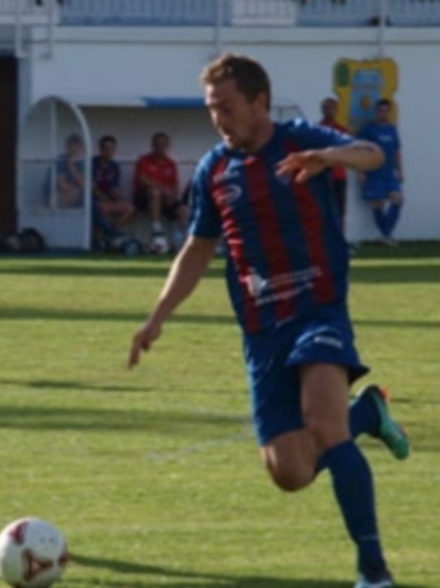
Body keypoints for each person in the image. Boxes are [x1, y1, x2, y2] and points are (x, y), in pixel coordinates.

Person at [128, 54, 409, 588]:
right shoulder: (215, 169)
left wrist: (329, 156)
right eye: (213, 109)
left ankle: (374, 569)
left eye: (227, 107)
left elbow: (372, 155)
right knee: (291, 473)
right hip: (262, 330)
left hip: (318, 309)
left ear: (260, 102)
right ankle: (368, 415)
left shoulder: (299, 139)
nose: (219, 119)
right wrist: (157, 317)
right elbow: (197, 248)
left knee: (325, 427)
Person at [356, 99, 404, 246]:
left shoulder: (392, 129)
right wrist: (360, 171)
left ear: (389, 112)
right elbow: (358, 149)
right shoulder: (369, 129)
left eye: (385, 110)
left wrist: (400, 171)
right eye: (380, 110)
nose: (383, 113)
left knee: (398, 199)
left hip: (389, 173)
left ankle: (386, 234)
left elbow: (396, 151)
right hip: (373, 172)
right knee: (378, 204)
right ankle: (387, 236)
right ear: (376, 111)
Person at [132, 132, 189, 253]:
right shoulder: (144, 160)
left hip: (165, 199)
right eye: (157, 144)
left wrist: (171, 195)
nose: (160, 147)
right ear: (153, 145)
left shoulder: (171, 164)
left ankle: (181, 241)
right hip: (145, 199)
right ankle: (156, 231)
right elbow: (142, 179)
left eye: (163, 144)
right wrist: (163, 189)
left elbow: (175, 185)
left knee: (183, 210)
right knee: (155, 192)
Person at [91, 135, 134, 250]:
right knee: (102, 208)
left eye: (111, 149)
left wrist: (119, 199)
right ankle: (102, 239)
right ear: (100, 149)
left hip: (110, 199)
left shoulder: (114, 166)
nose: (108, 151)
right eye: (105, 148)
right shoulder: (92, 164)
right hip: (96, 200)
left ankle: (114, 232)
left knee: (129, 208)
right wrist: (106, 200)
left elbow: (115, 188)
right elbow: (92, 188)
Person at [319, 97, 350, 231]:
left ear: (336, 110)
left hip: (338, 176)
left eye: (331, 108)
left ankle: (340, 241)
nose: (328, 111)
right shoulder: (316, 129)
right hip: (321, 175)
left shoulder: (342, 131)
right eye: (326, 108)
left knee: (339, 211)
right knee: (322, 210)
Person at [52, 134, 85, 208]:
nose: (76, 150)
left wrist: (72, 167)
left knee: (84, 195)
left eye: (78, 147)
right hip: (54, 194)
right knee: (73, 194)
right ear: (68, 147)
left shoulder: (81, 162)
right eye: (74, 147)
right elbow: (62, 186)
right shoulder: (60, 160)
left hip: (72, 194)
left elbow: (83, 183)